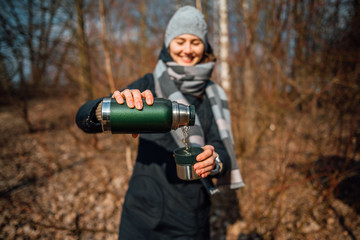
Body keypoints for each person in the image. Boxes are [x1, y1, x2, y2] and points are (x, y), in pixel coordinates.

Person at [76, 5, 244, 239]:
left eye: (195, 42)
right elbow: (83, 118)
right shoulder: (148, 85)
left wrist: (214, 160)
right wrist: (102, 110)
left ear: (205, 46)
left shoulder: (213, 96)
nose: (187, 49)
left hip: (191, 222)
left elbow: (222, 151)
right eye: (180, 41)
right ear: (168, 43)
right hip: (141, 217)